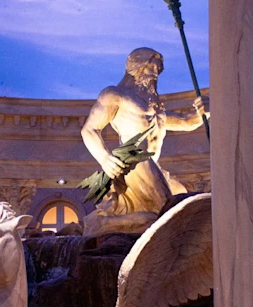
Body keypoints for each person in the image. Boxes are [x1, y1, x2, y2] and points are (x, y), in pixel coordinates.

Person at [80, 48, 208, 235]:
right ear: (137, 66)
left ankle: (108, 223)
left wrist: (204, 112)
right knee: (169, 212)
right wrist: (105, 159)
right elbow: (89, 129)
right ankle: (104, 224)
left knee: (178, 202)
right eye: (151, 68)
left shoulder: (156, 107)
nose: (155, 74)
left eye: (158, 70)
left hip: (153, 166)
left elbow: (185, 122)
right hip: (134, 161)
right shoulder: (115, 95)